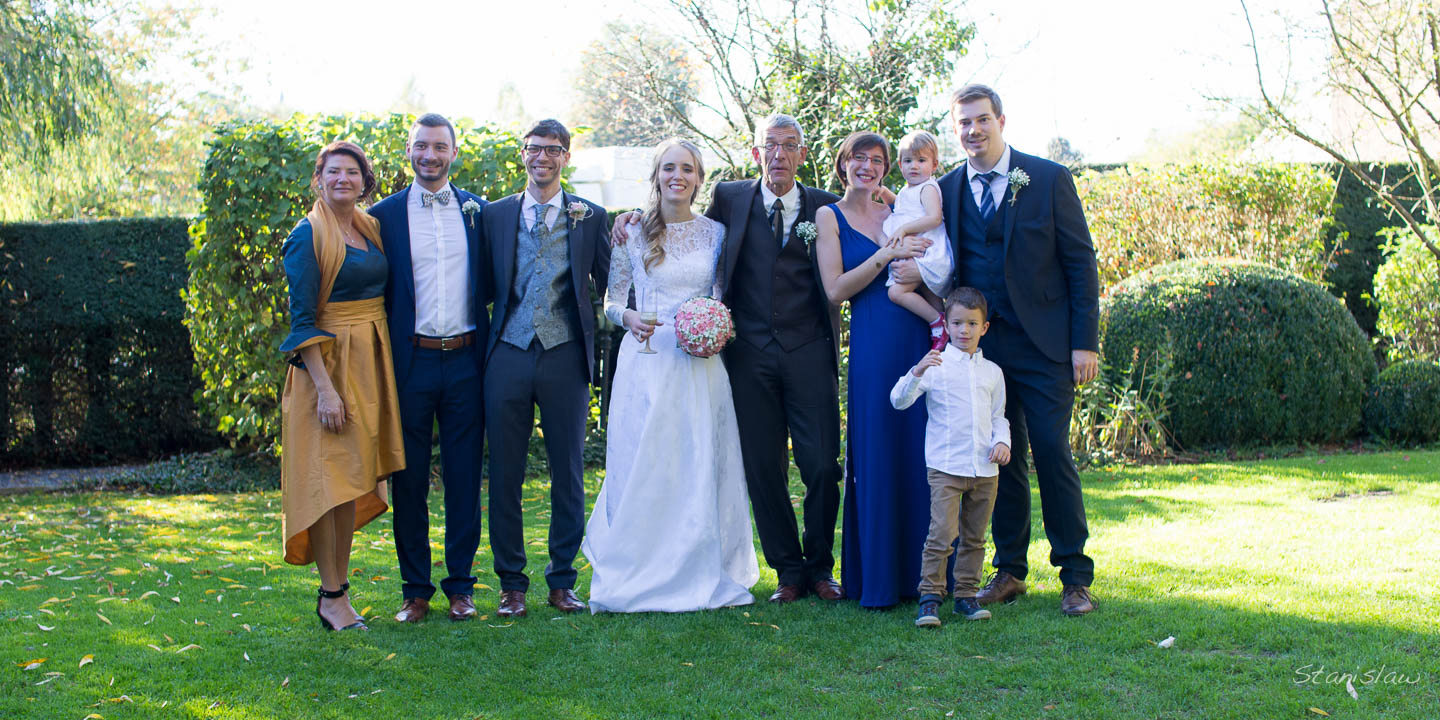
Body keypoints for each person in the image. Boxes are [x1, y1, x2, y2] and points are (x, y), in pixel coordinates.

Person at [616, 115, 845, 604]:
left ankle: (820, 567)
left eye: (789, 146)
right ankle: (787, 571)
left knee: (823, 464)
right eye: (770, 146)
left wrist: (889, 201)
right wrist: (626, 217)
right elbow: (672, 219)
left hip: (809, 352)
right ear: (757, 153)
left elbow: (866, 220)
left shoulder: (826, 207)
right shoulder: (731, 199)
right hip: (748, 357)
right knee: (763, 467)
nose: (779, 155)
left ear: (803, 154)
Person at [895, 83, 1101, 615]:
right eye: (963, 123)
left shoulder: (1049, 178)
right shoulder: (948, 190)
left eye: (981, 120)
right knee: (998, 458)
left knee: (1052, 452)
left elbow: (1081, 264)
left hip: (1046, 346)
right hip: (982, 350)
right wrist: (916, 268)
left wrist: (1084, 343)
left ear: (1001, 121)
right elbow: (941, 255)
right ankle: (1009, 569)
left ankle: (1075, 575)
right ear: (955, 129)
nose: (972, 130)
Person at [583, 138, 759, 613]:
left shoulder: (716, 234)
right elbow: (612, 300)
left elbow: (719, 296)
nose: (677, 176)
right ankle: (636, 566)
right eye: (668, 168)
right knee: (645, 462)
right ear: (656, 175)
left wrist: (714, 327)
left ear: (699, 179)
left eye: (687, 169)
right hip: (646, 359)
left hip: (699, 364)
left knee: (697, 460)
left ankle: (697, 565)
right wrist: (629, 320)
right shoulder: (631, 231)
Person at [481, 119, 610, 618]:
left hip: (565, 356)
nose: (544, 157)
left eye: (554, 150)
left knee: (568, 471)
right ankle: (512, 583)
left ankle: (561, 581)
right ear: (522, 154)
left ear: (566, 157)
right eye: (536, 149)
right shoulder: (493, 216)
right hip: (507, 354)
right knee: (506, 473)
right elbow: (479, 290)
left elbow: (612, 281)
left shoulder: (590, 217)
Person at [279, 141, 404, 631]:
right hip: (326, 372)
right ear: (318, 179)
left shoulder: (368, 227)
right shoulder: (307, 235)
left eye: (352, 172)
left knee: (351, 484)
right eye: (333, 172)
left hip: (369, 362)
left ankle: (340, 592)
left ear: (364, 180)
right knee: (329, 486)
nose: (342, 180)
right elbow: (302, 319)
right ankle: (331, 596)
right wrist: (326, 390)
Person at [370, 113, 489, 623]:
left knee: (464, 478)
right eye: (421, 146)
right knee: (409, 479)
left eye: (439, 146)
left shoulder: (480, 213)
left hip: (466, 360)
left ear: (454, 152)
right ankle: (414, 591)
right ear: (409, 152)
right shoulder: (382, 217)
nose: (430, 155)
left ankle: (460, 587)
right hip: (411, 361)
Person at [813, 131, 933, 609]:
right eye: (858, 159)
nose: (868, 166)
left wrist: (918, 273)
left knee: (920, 453)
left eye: (877, 160)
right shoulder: (830, 216)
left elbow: (933, 265)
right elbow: (836, 289)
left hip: (916, 337)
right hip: (874, 346)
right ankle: (879, 578)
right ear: (843, 165)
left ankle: (925, 578)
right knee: (879, 449)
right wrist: (887, 255)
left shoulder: (899, 211)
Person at [889, 287, 1011, 627]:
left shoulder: (992, 373)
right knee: (942, 535)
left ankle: (966, 597)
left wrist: (1003, 442)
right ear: (947, 324)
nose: (964, 331)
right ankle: (930, 598)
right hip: (946, 467)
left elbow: (999, 416)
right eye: (957, 323)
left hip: (985, 468)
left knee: (975, 536)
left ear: (984, 327)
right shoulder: (936, 365)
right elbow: (898, 401)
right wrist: (916, 371)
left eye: (972, 324)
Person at [882, 130, 953, 351]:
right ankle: (944, 332)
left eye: (921, 160)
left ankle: (937, 322)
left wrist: (904, 229)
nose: (914, 166)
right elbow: (907, 209)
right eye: (908, 160)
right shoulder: (908, 190)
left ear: (934, 165)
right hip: (921, 252)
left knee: (896, 292)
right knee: (931, 295)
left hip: (930, 252)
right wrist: (887, 196)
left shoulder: (928, 187)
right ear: (900, 165)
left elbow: (934, 217)